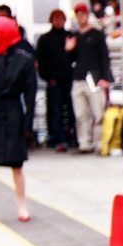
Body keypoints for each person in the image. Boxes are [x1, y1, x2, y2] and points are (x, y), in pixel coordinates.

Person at [0, 17, 37, 222]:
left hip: (12, 114)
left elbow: (30, 94)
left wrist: (28, 124)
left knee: (16, 164)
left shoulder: (24, 60)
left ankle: (21, 205)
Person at [67, 3, 112, 153]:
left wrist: (105, 77)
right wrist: (68, 50)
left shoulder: (97, 34)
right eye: (78, 15)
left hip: (94, 77)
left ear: (87, 15)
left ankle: (99, 142)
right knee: (81, 114)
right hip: (78, 77)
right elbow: (69, 59)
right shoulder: (74, 36)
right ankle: (84, 142)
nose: (80, 18)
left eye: (83, 14)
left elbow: (104, 57)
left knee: (98, 112)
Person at [35, 9, 75, 151]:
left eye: (61, 18)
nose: (58, 21)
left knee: (71, 110)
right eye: (55, 18)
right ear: (51, 20)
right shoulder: (45, 39)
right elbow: (41, 61)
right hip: (53, 80)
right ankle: (56, 137)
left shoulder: (70, 36)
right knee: (55, 110)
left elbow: (75, 58)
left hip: (69, 79)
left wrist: (69, 50)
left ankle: (70, 136)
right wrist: (48, 77)